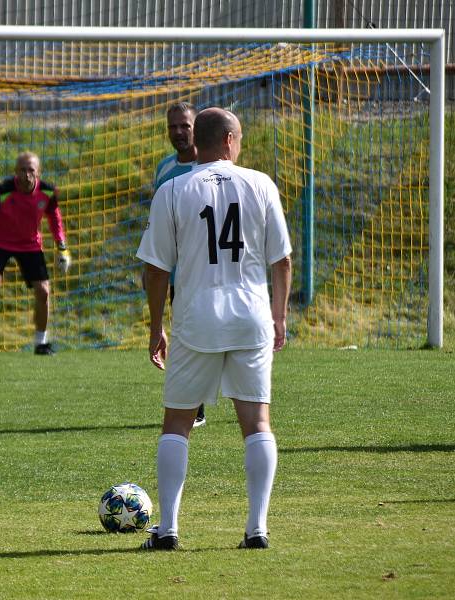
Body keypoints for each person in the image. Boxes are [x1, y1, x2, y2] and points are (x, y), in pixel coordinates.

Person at [136, 107, 292, 551]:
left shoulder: (171, 190)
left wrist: (155, 326)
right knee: (257, 422)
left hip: (196, 318)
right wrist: (279, 316)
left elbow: (155, 268)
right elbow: (282, 259)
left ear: (198, 141)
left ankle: (167, 530)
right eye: (239, 138)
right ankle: (256, 528)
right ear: (227, 141)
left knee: (177, 423)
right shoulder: (261, 184)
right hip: (250, 316)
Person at [0, 152, 71, 356]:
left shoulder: (48, 192)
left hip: (30, 245)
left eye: (31, 170)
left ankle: (41, 343)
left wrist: (62, 247)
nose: (26, 174)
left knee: (43, 291)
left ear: (38, 172)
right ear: (15, 172)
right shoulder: (2, 191)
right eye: (22, 170)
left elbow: (55, 217)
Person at [153, 102, 206, 428]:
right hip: (178, 272)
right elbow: (156, 223)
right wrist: (152, 267)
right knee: (186, 336)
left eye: (184, 126)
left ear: (196, 127)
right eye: (173, 127)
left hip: (213, 268)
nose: (178, 132)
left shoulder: (210, 167)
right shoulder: (164, 169)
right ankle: (195, 405)